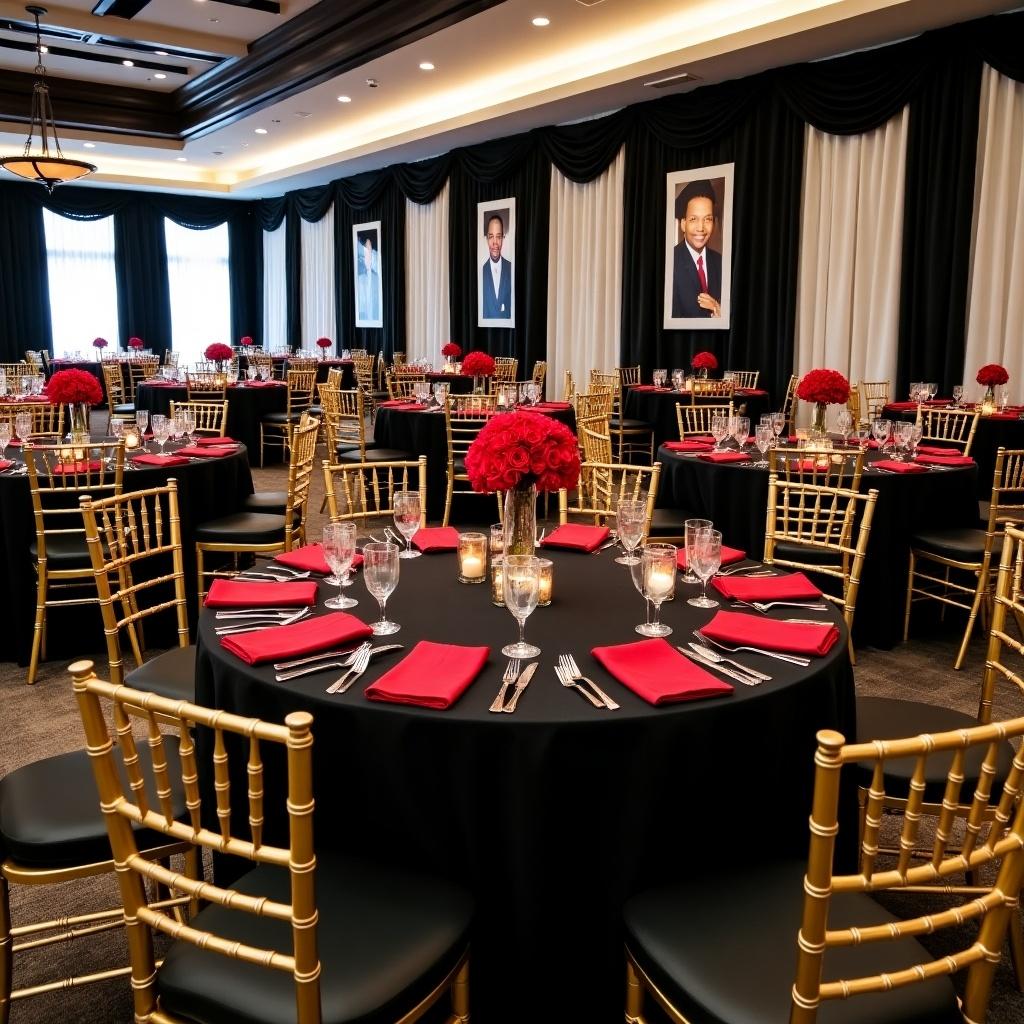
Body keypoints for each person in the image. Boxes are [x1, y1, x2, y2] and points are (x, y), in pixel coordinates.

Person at [671, 179, 722, 319]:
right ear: (683, 224)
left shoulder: (720, 262)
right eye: (694, 219)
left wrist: (719, 310)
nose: (701, 228)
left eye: (707, 219)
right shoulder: (670, 262)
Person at [481, 213, 512, 319]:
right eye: (491, 237)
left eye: (498, 237)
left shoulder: (511, 268)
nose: (495, 243)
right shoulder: (481, 272)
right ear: (487, 239)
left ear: (503, 238)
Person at [356, 233, 381, 323]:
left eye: (369, 251)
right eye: (365, 251)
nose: (367, 254)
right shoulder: (360, 278)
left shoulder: (377, 276)